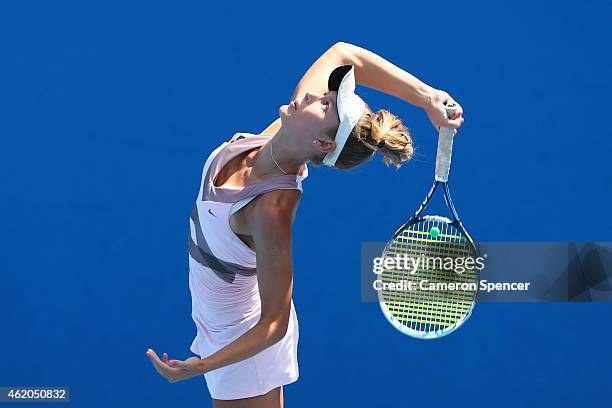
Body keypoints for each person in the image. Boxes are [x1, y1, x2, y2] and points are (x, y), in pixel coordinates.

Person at [146, 42, 464, 407]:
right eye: (326, 96)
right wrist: (426, 96)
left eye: (326, 105)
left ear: (322, 143)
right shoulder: (283, 134)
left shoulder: (271, 210)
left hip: (243, 342)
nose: (314, 95)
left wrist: (202, 366)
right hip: (219, 324)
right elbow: (346, 54)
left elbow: (273, 324)